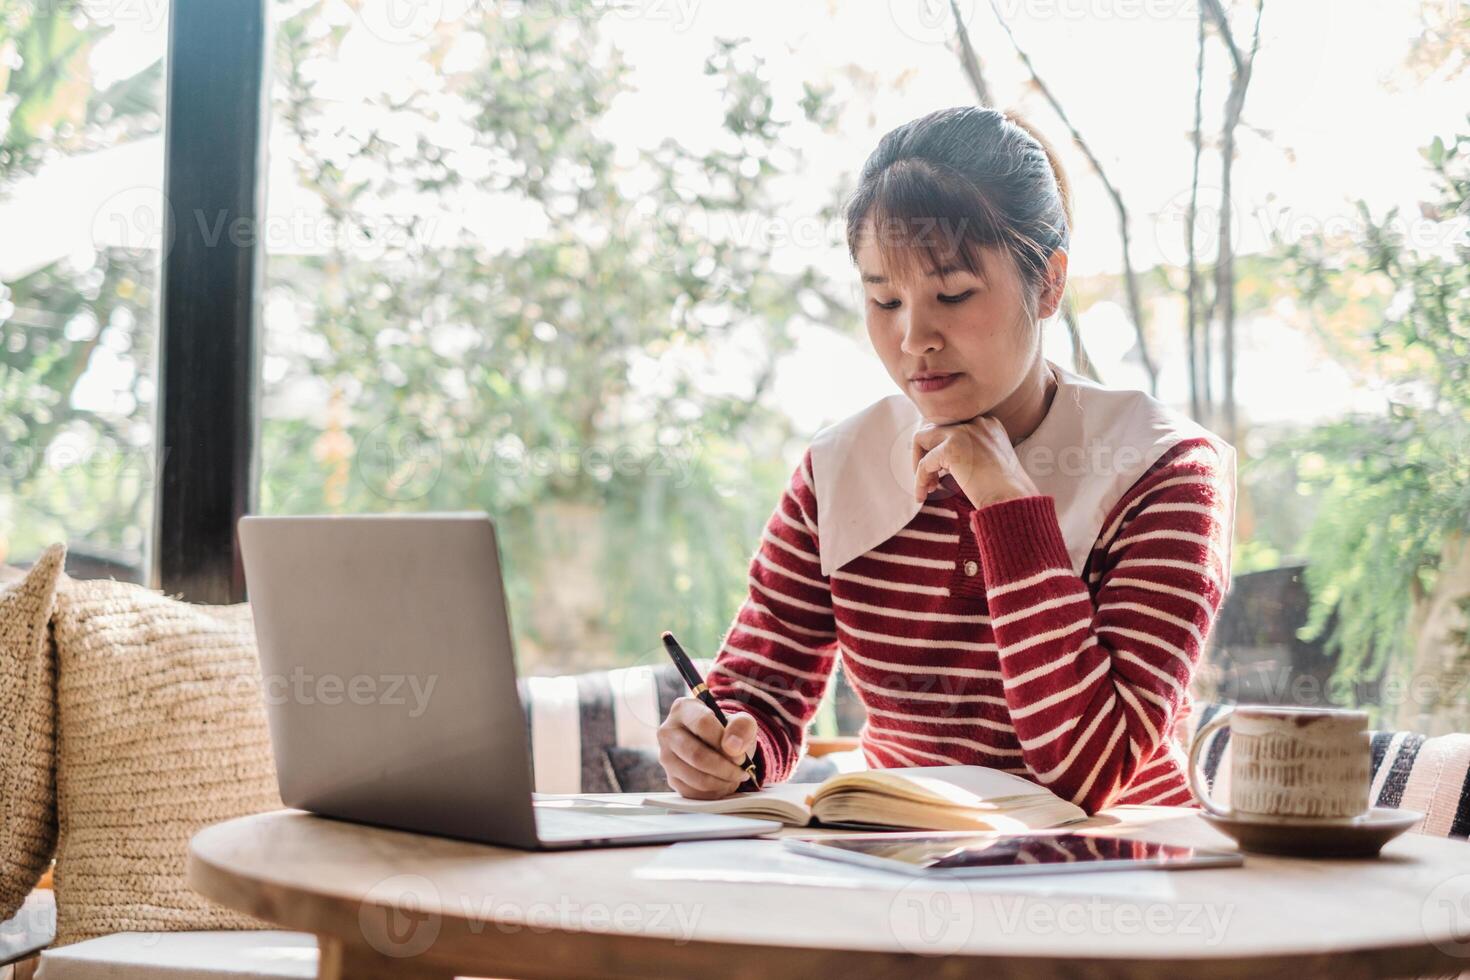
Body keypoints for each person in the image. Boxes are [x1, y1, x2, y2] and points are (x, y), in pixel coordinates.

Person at [656, 105, 1236, 815]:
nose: (913, 337)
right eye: (884, 298)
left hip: (1117, 881)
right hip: (902, 868)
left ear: (1049, 283)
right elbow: (759, 700)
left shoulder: (1164, 471)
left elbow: (1087, 774)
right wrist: (719, 749)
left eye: (953, 294)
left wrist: (1006, 506)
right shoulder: (839, 469)